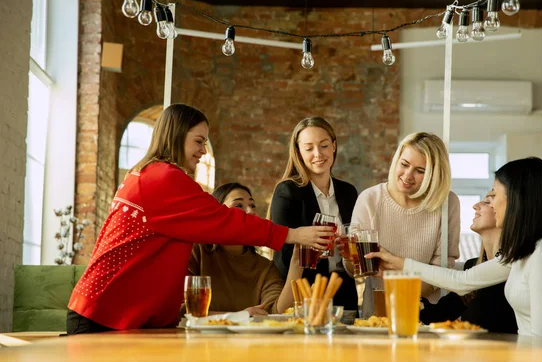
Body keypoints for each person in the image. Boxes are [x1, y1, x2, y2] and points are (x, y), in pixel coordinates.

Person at [67, 104, 333, 334]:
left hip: (109, 312)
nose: (203, 151)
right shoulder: (165, 179)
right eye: (198, 141)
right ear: (177, 136)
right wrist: (293, 234)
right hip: (104, 315)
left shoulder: (146, 174)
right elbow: (225, 220)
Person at [367, 157, 542, 340]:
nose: (490, 203)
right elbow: (461, 281)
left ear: (515, 201)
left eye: (495, 194)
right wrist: (396, 261)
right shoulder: (524, 253)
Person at [351, 132, 460, 317]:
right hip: (378, 315)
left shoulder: (447, 203)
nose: (408, 175)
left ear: (434, 174)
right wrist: (350, 257)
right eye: (404, 164)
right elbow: (356, 268)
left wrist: (402, 295)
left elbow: (442, 269)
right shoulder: (370, 199)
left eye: (420, 171)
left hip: (425, 315)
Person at [269, 117, 359, 310]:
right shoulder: (287, 191)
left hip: (345, 294)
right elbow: (283, 254)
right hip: (305, 295)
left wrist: (349, 247)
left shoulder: (348, 192)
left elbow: (355, 241)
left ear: (334, 146)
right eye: (309, 148)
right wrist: (317, 247)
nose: (318, 154)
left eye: (324, 145)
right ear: (299, 153)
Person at [187, 182, 302, 316]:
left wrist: (297, 261)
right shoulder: (197, 252)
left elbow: (276, 312)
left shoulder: (265, 268)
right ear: (218, 213)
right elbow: (184, 310)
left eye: (252, 205)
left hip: (248, 338)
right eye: (239, 205)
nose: (250, 211)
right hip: (197, 337)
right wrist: (241, 316)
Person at [419, 192, 517, 334]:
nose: (475, 206)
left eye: (487, 202)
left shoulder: (512, 266)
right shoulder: (473, 266)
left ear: (504, 213)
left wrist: (401, 264)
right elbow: (439, 315)